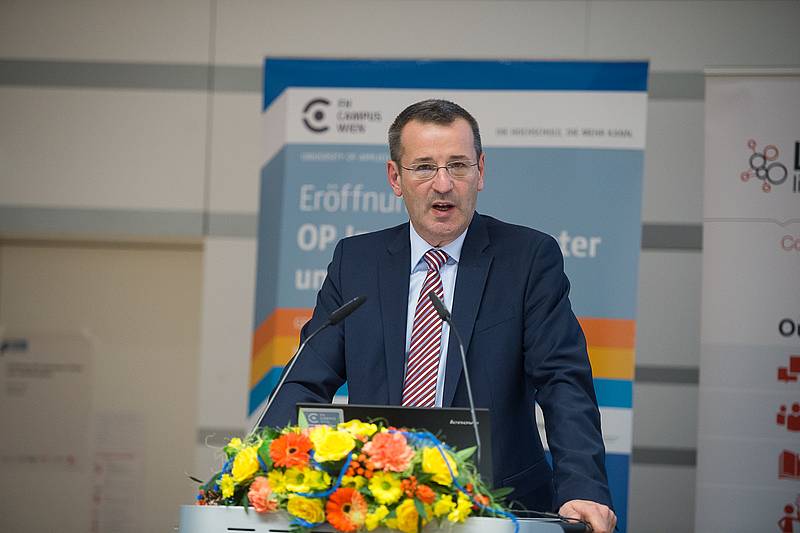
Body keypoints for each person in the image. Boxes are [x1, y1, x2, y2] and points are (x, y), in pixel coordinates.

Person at [262, 99, 616, 532]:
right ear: (396, 177)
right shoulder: (356, 261)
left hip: (498, 508)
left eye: (459, 165)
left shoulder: (526, 259)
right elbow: (305, 378)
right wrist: (263, 467)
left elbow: (563, 381)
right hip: (375, 504)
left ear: (481, 171)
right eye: (424, 167)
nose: (443, 184)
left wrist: (582, 486)